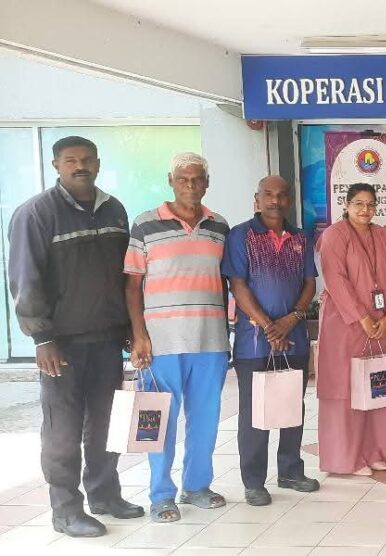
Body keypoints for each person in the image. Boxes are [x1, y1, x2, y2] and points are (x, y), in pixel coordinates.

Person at [8, 136, 143, 537]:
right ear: (56, 165)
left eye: (87, 160)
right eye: (71, 160)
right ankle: (66, 510)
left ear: (98, 164)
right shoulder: (36, 213)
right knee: (62, 430)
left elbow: (125, 275)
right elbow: (25, 279)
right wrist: (41, 338)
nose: (80, 166)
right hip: (61, 344)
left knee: (105, 424)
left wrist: (129, 328)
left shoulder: (114, 209)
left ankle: (104, 494)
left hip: (107, 339)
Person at [125, 152, 231, 522]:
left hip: (210, 341)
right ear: (171, 181)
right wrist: (138, 336)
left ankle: (197, 487)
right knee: (159, 419)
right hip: (161, 343)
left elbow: (225, 281)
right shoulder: (145, 224)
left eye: (197, 179)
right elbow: (132, 285)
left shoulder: (219, 226)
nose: (190, 185)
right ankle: (161, 495)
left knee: (205, 418)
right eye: (183, 179)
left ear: (207, 183)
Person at [222, 176, 320, 506]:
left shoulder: (301, 237)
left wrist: (291, 320)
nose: (274, 200)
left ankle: (290, 471)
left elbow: (309, 283)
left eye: (281, 195)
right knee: (254, 412)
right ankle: (253, 482)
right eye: (268, 194)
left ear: (289, 200)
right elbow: (238, 285)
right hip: (254, 342)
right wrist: (269, 327)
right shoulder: (240, 235)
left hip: (294, 339)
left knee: (292, 406)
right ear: (257, 199)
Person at [316, 183, 386, 476]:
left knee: (377, 385)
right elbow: (336, 280)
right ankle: (348, 458)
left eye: (370, 204)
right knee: (346, 389)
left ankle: (376, 450)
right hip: (345, 326)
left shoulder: (382, 235)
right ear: (346, 204)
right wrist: (361, 318)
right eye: (358, 204)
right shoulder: (333, 235)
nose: (365, 210)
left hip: (381, 326)